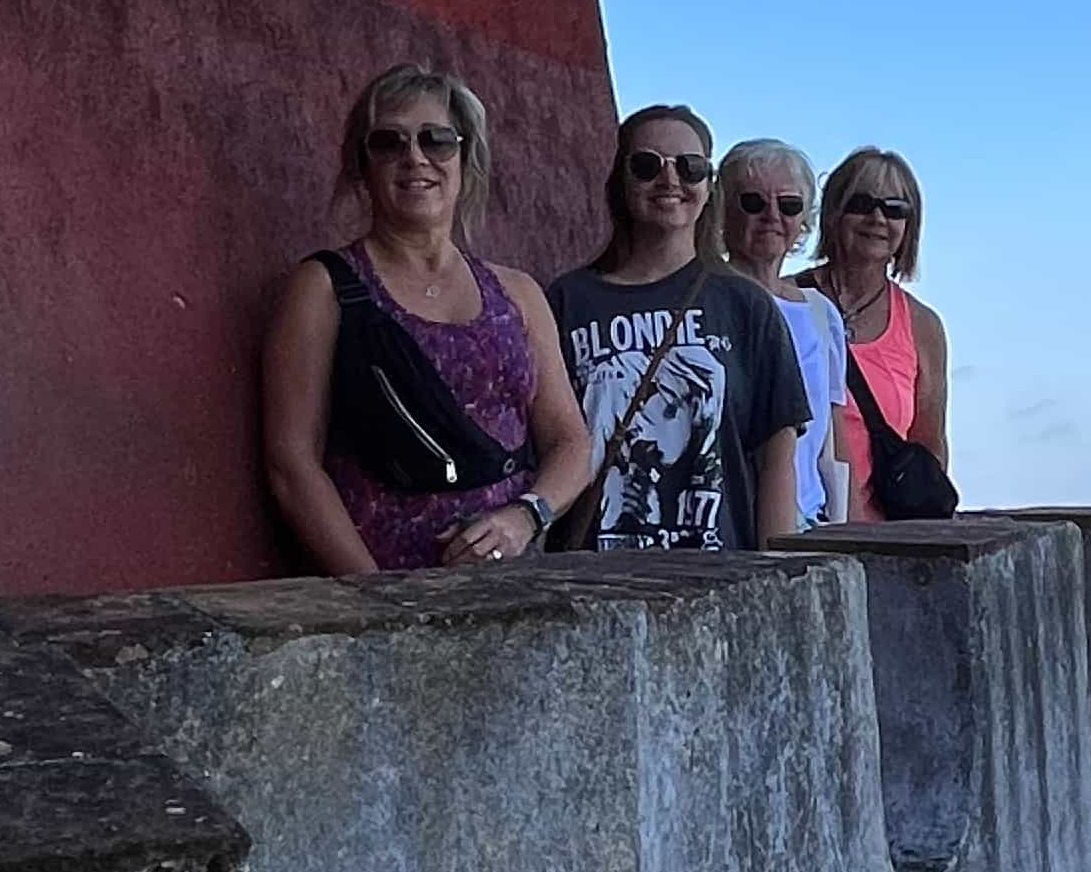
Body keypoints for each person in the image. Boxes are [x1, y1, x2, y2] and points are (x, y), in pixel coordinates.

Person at [263, 64, 592, 578]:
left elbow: (571, 441)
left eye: (436, 140)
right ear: (362, 165)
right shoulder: (325, 288)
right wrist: (378, 595)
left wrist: (525, 517)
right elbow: (292, 463)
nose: (414, 157)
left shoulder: (517, 294)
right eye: (387, 142)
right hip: (383, 590)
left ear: (465, 157)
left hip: (515, 584)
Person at [550, 107, 808, 551]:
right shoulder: (567, 302)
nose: (670, 180)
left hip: (717, 579)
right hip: (590, 578)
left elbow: (776, 463)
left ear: (709, 188)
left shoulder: (745, 305)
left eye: (689, 168)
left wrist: (778, 576)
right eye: (648, 165)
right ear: (620, 182)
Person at [711, 141, 852, 525]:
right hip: (731, 526)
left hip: (810, 521)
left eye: (788, 205)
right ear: (723, 210)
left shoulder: (822, 314)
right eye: (753, 202)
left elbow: (833, 436)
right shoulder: (706, 301)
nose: (772, 216)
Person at [808, 147, 951, 522]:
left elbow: (929, 442)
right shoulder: (788, 302)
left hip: (883, 539)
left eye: (894, 209)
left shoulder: (923, 326)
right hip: (797, 527)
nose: (877, 218)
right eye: (861, 203)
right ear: (835, 212)